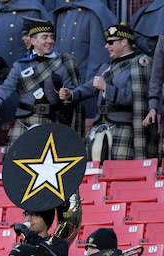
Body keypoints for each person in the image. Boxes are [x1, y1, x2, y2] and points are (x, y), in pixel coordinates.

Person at [60, 23, 151, 161]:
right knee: (92, 170)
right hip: (99, 126)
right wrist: (71, 94)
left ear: (124, 42)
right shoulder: (106, 67)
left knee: (120, 173)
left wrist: (106, 88)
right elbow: (89, 87)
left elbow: (137, 99)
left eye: (110, 42)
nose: (106, 46)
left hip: (123, 127)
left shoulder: (140, 63)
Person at [0, 18, 81, 146]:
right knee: (13, 160)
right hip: (25, 120)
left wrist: (68, 94)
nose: (50, 41)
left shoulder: (62, 64)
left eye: (52, 37)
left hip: (51, 119)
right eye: (45, 37)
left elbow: (72, 91)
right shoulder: (20, 66)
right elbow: (7, 87)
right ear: (33, 41)